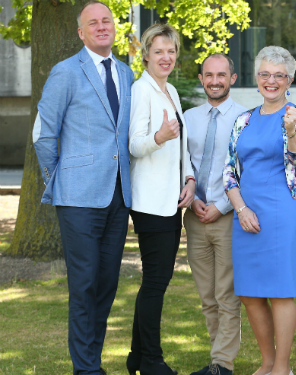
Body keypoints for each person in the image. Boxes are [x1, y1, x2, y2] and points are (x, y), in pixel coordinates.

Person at [32, 1, 134, 373]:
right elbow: (44, 133)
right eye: (93, 23)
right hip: (77, 196)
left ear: (114, 27)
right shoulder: (65, 72)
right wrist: (58, 177)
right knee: (85, 283)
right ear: (81, 32)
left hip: (118, 195)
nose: (101, 26)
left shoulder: (125, 73)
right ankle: (87, 368)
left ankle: (89, 362)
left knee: (106, 284)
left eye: (106, 20)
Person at [223, 45, 296, 375]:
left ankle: (283, 368)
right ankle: (267, 361)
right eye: (265, 74)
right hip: (246, 211)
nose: (270, 81)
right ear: (256, 78)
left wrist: (289, 130)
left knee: (281, 291)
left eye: (278, 75)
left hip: (282, 211)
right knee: (249, 292)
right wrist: (241, 209)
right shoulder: (243, 119)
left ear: (289, 80)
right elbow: (229, 170)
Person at [127, 23, 195, 375]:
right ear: (147, 55)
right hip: (150, 203)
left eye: (171, 51)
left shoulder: (168, 91)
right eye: (159, 52)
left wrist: (189, 178)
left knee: (155, 280)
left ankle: (138, 357)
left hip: (170, 201)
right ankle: (152, 360)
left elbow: (180, 148)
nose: (166, 57)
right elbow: (135, 145)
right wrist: (159, 136)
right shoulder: (142, 90)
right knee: (156, 281)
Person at [184, 53, 247, 375]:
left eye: (221, 75)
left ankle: (223, 364)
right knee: (207, 296)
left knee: (226, 294)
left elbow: (245, 169)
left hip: (227, 217)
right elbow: (184, 164)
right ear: (201, 78)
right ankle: (216, 361)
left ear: (232, 79)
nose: (215, 81)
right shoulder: (189, 117)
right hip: (194, 218)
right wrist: (192, 198)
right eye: (209, 75)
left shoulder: (245, 118)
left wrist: (221, 206)